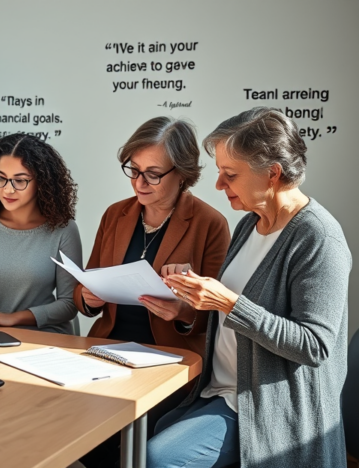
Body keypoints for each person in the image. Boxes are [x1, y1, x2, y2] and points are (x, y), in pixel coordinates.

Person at [149, 107, 351, 468]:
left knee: (158, 457)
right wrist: (192, 294)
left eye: (230, 174)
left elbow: (314, 345)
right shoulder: (250, 224)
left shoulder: (318, 237)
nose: (218, 185)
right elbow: (236, 308)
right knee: (133, 436)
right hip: (218, 390)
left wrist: (229, 303)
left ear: (272, 174)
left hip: (263, 409)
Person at [76, 117, 230, 468]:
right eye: (133, 169)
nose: (139, 182)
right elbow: (83, 286)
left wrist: (183, 311)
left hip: (170, 361)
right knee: (72, 423)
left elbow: (220, 312)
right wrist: (87, 298)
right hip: (107, 351)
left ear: (183, 174)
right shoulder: (115, 214)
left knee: (123, 439)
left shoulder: (210, 223)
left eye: (153, 173)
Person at [0, 133, 83, 334]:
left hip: (45, 336)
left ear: (41, 182)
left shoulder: (63, 229)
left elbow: (68, 304)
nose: (8, 190)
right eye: (1, 178)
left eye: (19, 181)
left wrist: (12, 319)